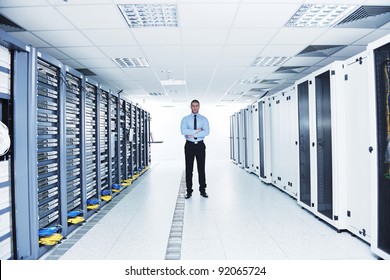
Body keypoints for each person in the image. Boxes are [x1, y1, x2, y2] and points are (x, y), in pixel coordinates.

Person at [180, 99, 210, 199]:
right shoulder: (185, 119)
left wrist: (191, 133)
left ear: (199, 106)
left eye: (196, 105)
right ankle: (189, 191)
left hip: (200, 145)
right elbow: (183, 131)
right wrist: (197, 130)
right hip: (189, 145)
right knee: (189, 169)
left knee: (201, 168)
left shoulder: (204, 119)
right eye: (193, 105)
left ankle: (203, 190)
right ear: (190, 107)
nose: (195, 107)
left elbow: (206, 132)